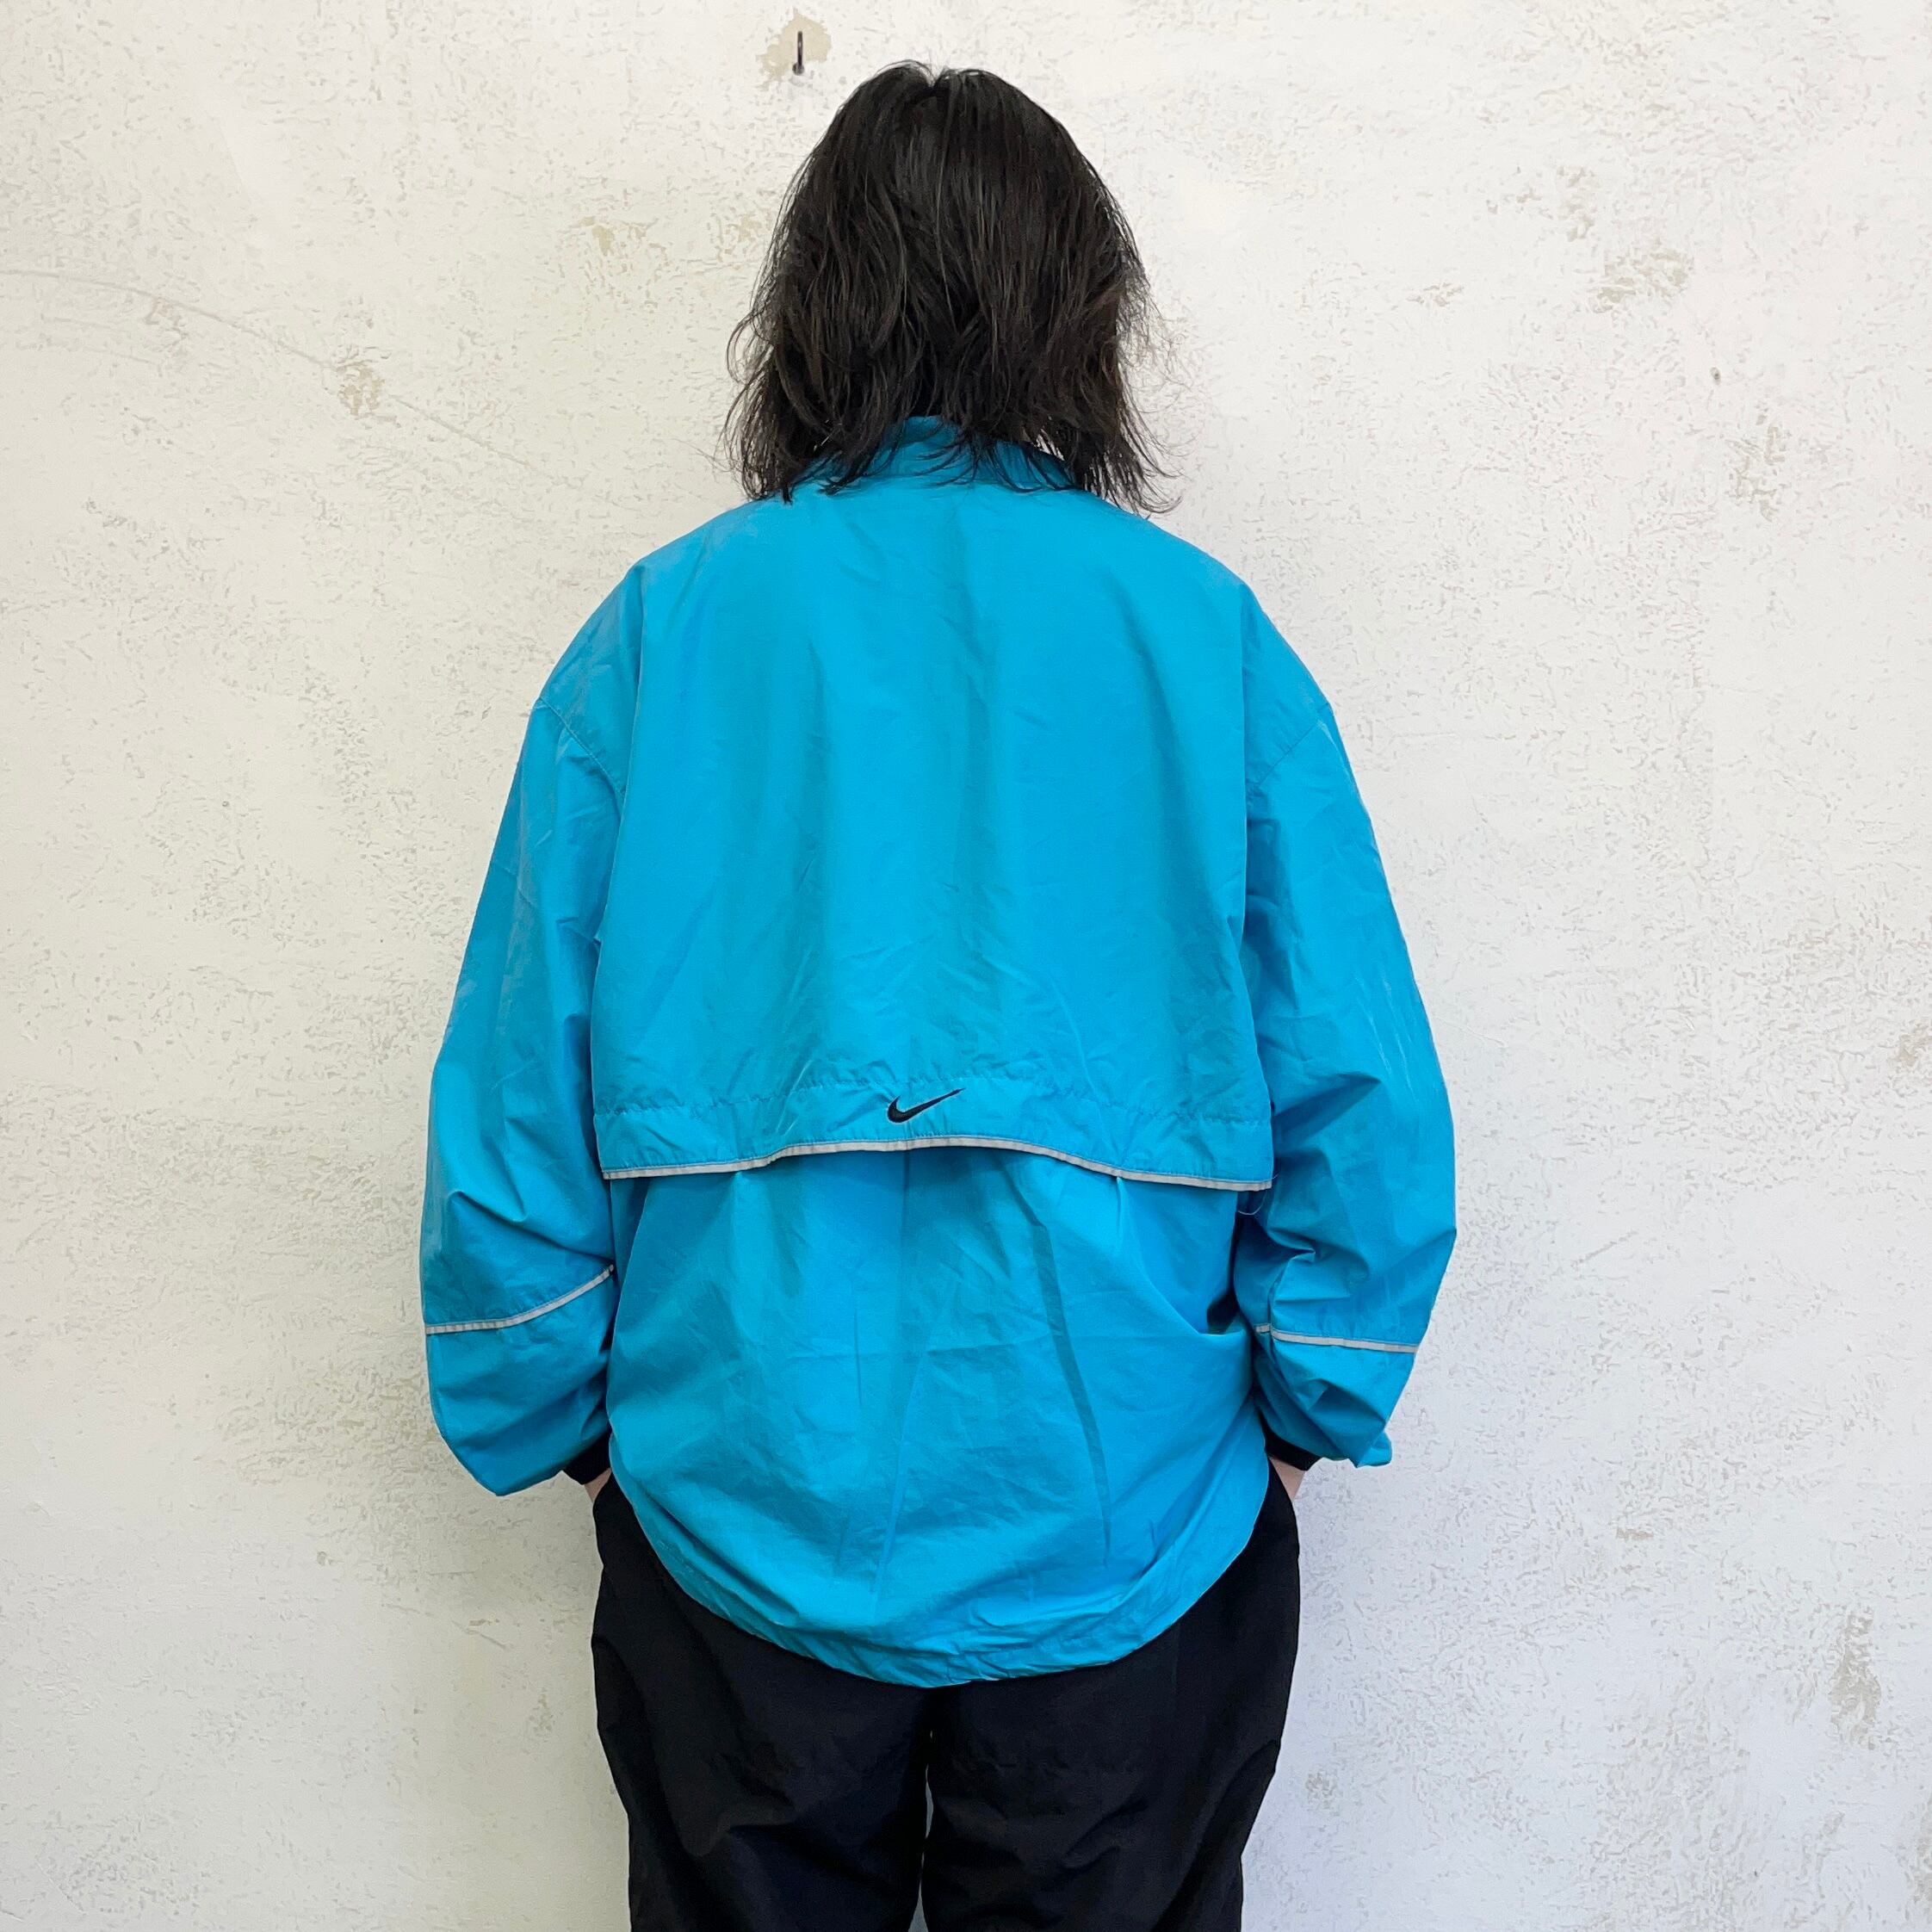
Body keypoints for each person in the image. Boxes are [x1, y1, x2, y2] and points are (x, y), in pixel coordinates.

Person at [419, 60, 1455, 1932]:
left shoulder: (664, 631)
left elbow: (515, 1095)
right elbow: (1358, 1095)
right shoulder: (1199, 635)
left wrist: (575, 1433)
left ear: (813, 308)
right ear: (1079, 311)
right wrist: (1303, 1414)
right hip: (1128, 1523)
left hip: (737, 1519)